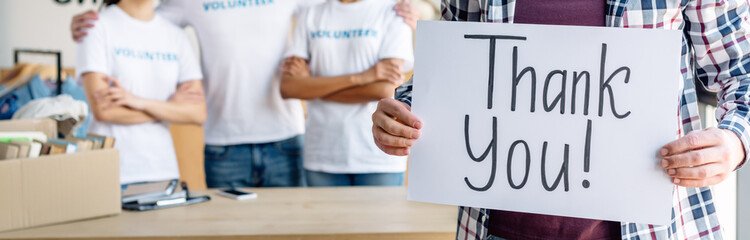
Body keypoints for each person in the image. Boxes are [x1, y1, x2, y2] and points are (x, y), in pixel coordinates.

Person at [372, 0, 749, 239]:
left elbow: (742, 70)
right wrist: (404, 109)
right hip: (496, 227)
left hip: (648, 228)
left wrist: (733, 142)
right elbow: (454, 63)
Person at [71, 0, 420, 188]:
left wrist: (412, 8)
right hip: (223, 145)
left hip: (288, 141)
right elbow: (137, 19)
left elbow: (347, 7)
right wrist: (93, 20)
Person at [281, 0, 414, 186]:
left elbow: (385, 89)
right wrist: (364, 77)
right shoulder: (311, 13)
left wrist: (312, 86)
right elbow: (290, 88)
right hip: (322, 154)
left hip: (379, 156)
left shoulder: (395, 10)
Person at [76, 0, 206, 188]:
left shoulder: (177, 36)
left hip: (163, 172)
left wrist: (139, 102)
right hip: (113, 172)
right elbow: (104, 111)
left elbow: (197, 113)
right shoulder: (94, 27)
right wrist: (170, 107)